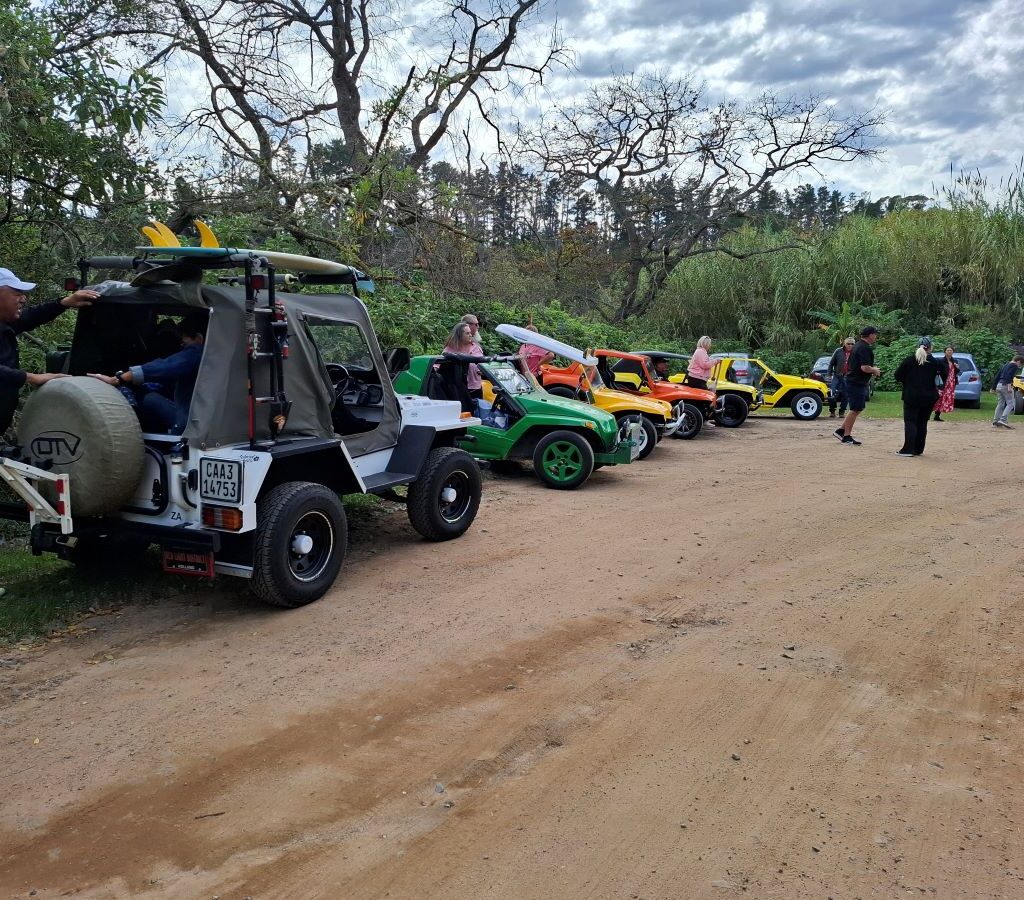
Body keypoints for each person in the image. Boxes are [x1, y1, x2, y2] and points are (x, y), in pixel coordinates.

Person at [0, 269, 99, 438]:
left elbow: (31, 317)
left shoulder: (5, 324)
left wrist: (64, 302)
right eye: (17, 293)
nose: (23, 299)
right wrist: (30, 377)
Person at [89, 311, 208, 434]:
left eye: (185, 342)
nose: (182, 346)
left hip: (190, 424)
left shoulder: (199, 353)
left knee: (150, 399)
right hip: (204, 420)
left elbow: (164, 367)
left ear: (199, 339)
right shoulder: (222, 356)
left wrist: (119, 379)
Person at [893, 338, 941, 457]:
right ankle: (919, 449)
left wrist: (908, 381)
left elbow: (897, 376)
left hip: (912, 395)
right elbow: (942, 375)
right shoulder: (935, 362)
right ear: (930, 347)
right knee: (922, 422)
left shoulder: (909, 360)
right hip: (929, 396)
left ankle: (908, 449)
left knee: (910, 421)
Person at [835, 325, 881, 446]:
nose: (876, 336)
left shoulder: (858, 346)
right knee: (855, 409)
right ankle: (846, 436)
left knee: (857, 408)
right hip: (856, 382)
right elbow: (864, 368)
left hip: (854, 381)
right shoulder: (864, 348)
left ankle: (841, 431)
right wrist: (874, 370)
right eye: (875, 334)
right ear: (870, 335)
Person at [443, 321, 484, 399]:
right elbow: (437, 366)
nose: (470, 335)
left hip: (475, 387)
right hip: (457, 389)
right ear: (459, 335)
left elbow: (483, 364)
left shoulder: (476, 347)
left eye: (470, 333)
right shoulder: (450, 349)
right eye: (467, 333)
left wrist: (482, 370)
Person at [991, 354, 1024, 429]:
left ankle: (995, 421)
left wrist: (993, 387)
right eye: (1021, 363)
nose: (1020, 366)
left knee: (1001, 403)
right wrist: (1009, 386)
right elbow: (1009, 375)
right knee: (1011, 403)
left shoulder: (1005, 365)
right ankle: (1003, 420)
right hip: (1005, 385)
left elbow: (997, 375)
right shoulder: (1014, 365)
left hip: (999, 385)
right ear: (1018, 361)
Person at [827, 337, 855, 418]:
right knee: (832, 393)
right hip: (837, 375)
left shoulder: (855, 352)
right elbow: (831, 363)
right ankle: (832, 411)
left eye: (852, 344)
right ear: (844, 344)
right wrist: (829, 374)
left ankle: (842, 412)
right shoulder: (838, 351)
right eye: (848, 344)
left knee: (846, 395)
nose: (850, 345)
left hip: (848, 377)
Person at [932, 345, 959, 421]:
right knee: (938, 398)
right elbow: (938, 371)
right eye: (948, 350)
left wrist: (957, 368)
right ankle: (927, 413)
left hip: (951, 382)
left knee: (944, 398)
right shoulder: (941, 361)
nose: (950, 352)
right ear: (945, 352)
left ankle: (937, 415)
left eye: (951, 350)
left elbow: (956, 372)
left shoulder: (954, 361)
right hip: (943, 382)